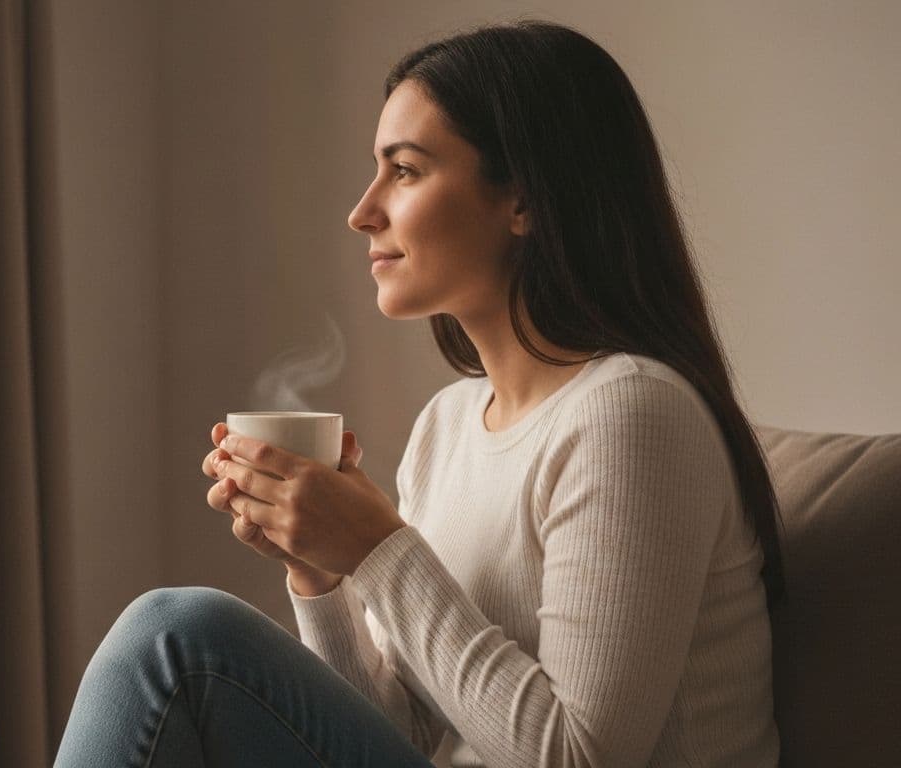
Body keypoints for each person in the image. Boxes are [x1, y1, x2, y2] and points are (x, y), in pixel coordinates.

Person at [54, 19, 785, 768]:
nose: (363, 211)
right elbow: (402, 739)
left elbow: (578, 757)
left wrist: (377, 547)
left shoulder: (632, 413)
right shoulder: (451, 424)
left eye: (404, 170)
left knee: (178, 639)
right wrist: (321, 570)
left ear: (524, 199)